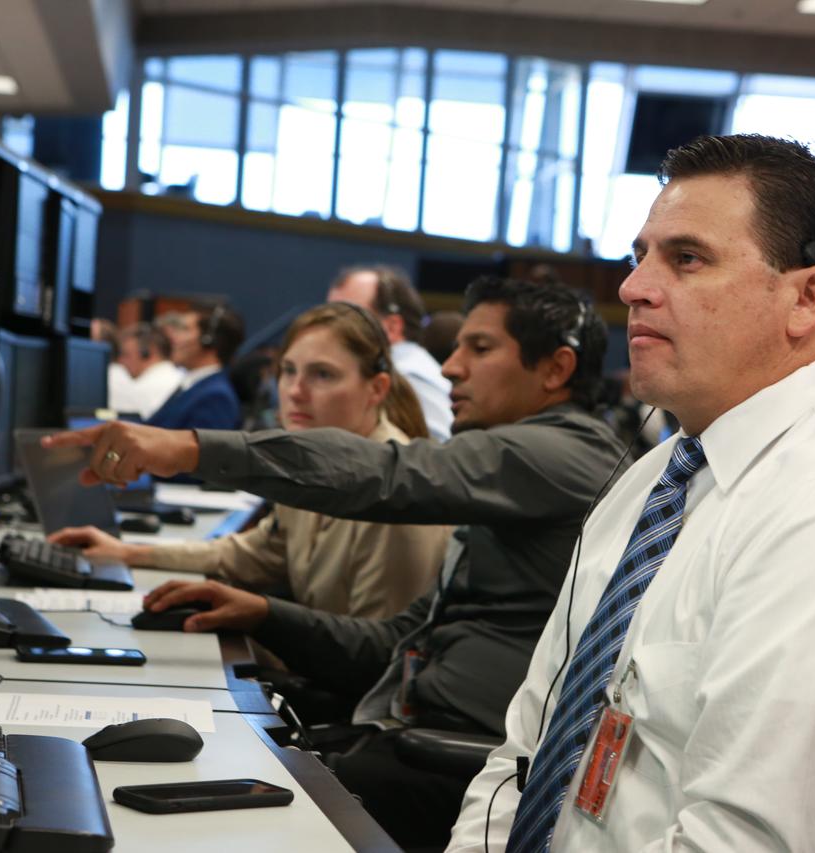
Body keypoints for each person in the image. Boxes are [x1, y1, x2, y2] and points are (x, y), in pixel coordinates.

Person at [451, 135, 815, 851]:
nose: (632, 287)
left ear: (807, 296)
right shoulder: (659, 478)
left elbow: (749, 842)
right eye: (638, 256)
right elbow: (522, 753)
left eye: (686, 258)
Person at [43, 278, 629, 849]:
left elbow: (388, 474)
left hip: (450, 756)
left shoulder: (559, 454)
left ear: (555, 369)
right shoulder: (512, 476)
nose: (450, 367)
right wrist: (263, 615)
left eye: (480, 348)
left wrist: (187, 448)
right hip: (407, 727)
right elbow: (397, 644)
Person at [50, 303, 450, 623]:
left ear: (376, 389)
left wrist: (260, 630)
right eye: (288, 371)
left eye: (323, 375)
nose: (295, 392)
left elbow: (370, 660)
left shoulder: (394, 497)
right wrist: (128, 553)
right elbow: (252, 555)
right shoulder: (309, 460)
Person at [328, 264, 453, 440]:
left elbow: (438, 456)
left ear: (392, 327)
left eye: (346, 316)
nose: (329, 329)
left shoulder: (409, 378)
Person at [146, 301, 244, 432]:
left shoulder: (216, 397)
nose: (174, 338)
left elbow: (203, 451)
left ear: (208, 341)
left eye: (185, 329)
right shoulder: (194, 385)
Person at [109, 323, 185, 419]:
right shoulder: (181, 379)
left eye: (125, 354)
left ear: (148, 353)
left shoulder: (138, 390)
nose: (120, 361)